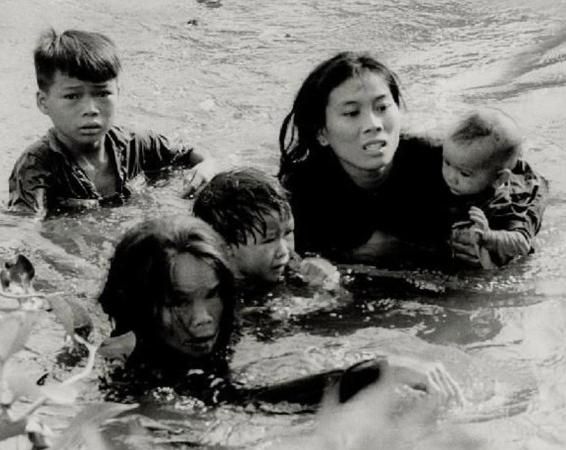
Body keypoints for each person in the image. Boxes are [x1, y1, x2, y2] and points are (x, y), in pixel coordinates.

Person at [98, 215, 462, 406]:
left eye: (212, 294)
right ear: (140, 306)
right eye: (179, 302)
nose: (203, 317)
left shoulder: (230, 315)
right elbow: (241, 401)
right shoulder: (133, 365)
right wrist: (375, 372)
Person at [278, 51, 547, 267]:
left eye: (382, 107)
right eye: (351, 113)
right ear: (322, 133)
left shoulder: (443, 162)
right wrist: (340, 258)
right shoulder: (301, 192)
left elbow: (526, 180)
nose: (374, 124)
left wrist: (497, 242)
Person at [8, 28, 214, 219]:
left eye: (102, 94)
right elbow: (27, 228)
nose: (91, 109)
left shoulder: (135, 144)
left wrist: (207, 167)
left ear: (118, 94)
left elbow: (191, 154)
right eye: (72, 96)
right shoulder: (36, 165)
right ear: (43, 103)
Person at [193, 167, 340, 290]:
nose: (284, 251)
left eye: (288, 233)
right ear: (224, 248)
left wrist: (329, 284)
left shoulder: (293, 267)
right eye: (269, 240)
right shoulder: (210, 293)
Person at [442, 108, 548, 267]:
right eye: (446, 162)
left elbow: (522, 244)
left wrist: (489, 236)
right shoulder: (461, 159)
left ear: (498, 179)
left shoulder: (510, 204)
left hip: (526, 186)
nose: (450, 177)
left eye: (464, 174)